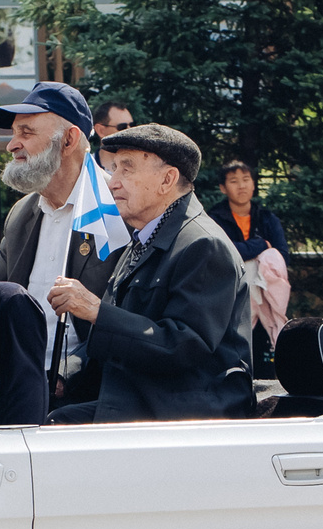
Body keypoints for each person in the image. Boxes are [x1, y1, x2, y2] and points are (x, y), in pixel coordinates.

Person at [43, 124, 254, 424]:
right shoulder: (144, 239)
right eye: (114, 169)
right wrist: (65, 374)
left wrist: (97, 311)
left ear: (167, 179)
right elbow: (114, 336)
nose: (113, 183)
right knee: (39, 406)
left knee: (59, 425)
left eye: (126, 169)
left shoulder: (204, 245)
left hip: (187, 413)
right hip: (139, 398)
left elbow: (183, 347)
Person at [0, 83, 116, 386]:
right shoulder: (22, 213)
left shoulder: (117, 210)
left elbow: (130, 317)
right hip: (18, 381)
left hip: (91, 391)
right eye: (13, 133)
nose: (11, 145)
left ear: (69, 140)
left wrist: (66, 372)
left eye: (26, 133)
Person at [211, 160, 290, 375]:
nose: (241, 186)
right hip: (230, 298)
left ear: (254, 184)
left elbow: (282, 256)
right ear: (223, 188)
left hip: (265, 298)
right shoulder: (215, 219)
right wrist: (261, 245)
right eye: (234, 181)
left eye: (246, 180)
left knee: (265, 362)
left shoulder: (267, 218)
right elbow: (223, 253)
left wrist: (251, 255)